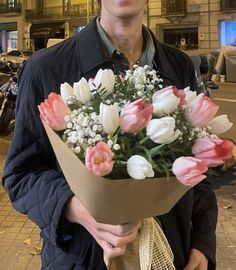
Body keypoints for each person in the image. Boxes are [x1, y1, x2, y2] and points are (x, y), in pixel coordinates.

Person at [2, 0, 217, 269]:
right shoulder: (45, 68)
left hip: (171, 254)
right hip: (82, 259)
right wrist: (78, 208)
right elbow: (21, 175)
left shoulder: (180, 66)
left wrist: (202, 245)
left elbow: (200, 171)